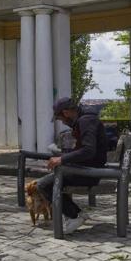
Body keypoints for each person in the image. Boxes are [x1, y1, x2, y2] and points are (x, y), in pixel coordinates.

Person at [37, 97, 108, 234]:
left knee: (43, 184)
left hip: (90, 172)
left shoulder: (86, 121)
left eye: (60, 118)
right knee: (50, 179)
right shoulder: (84, 119)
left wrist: (62, 159)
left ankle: (74, 216)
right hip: (88, 167)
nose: (63, 122)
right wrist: (64, 155)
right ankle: (76, 214)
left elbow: (89, 150)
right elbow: (85, 150)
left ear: (66, 112)